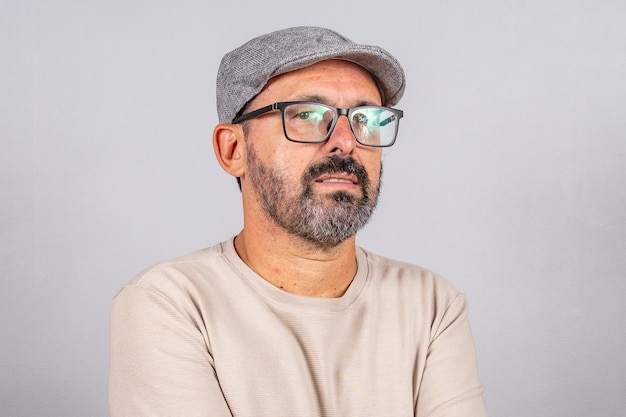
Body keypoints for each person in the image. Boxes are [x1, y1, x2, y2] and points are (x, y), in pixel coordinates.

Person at [109, 26, 488, 417]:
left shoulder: (431, 304)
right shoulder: (172, 304)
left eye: (367, 118)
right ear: (233, 149)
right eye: (308, 115)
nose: (346, 140)